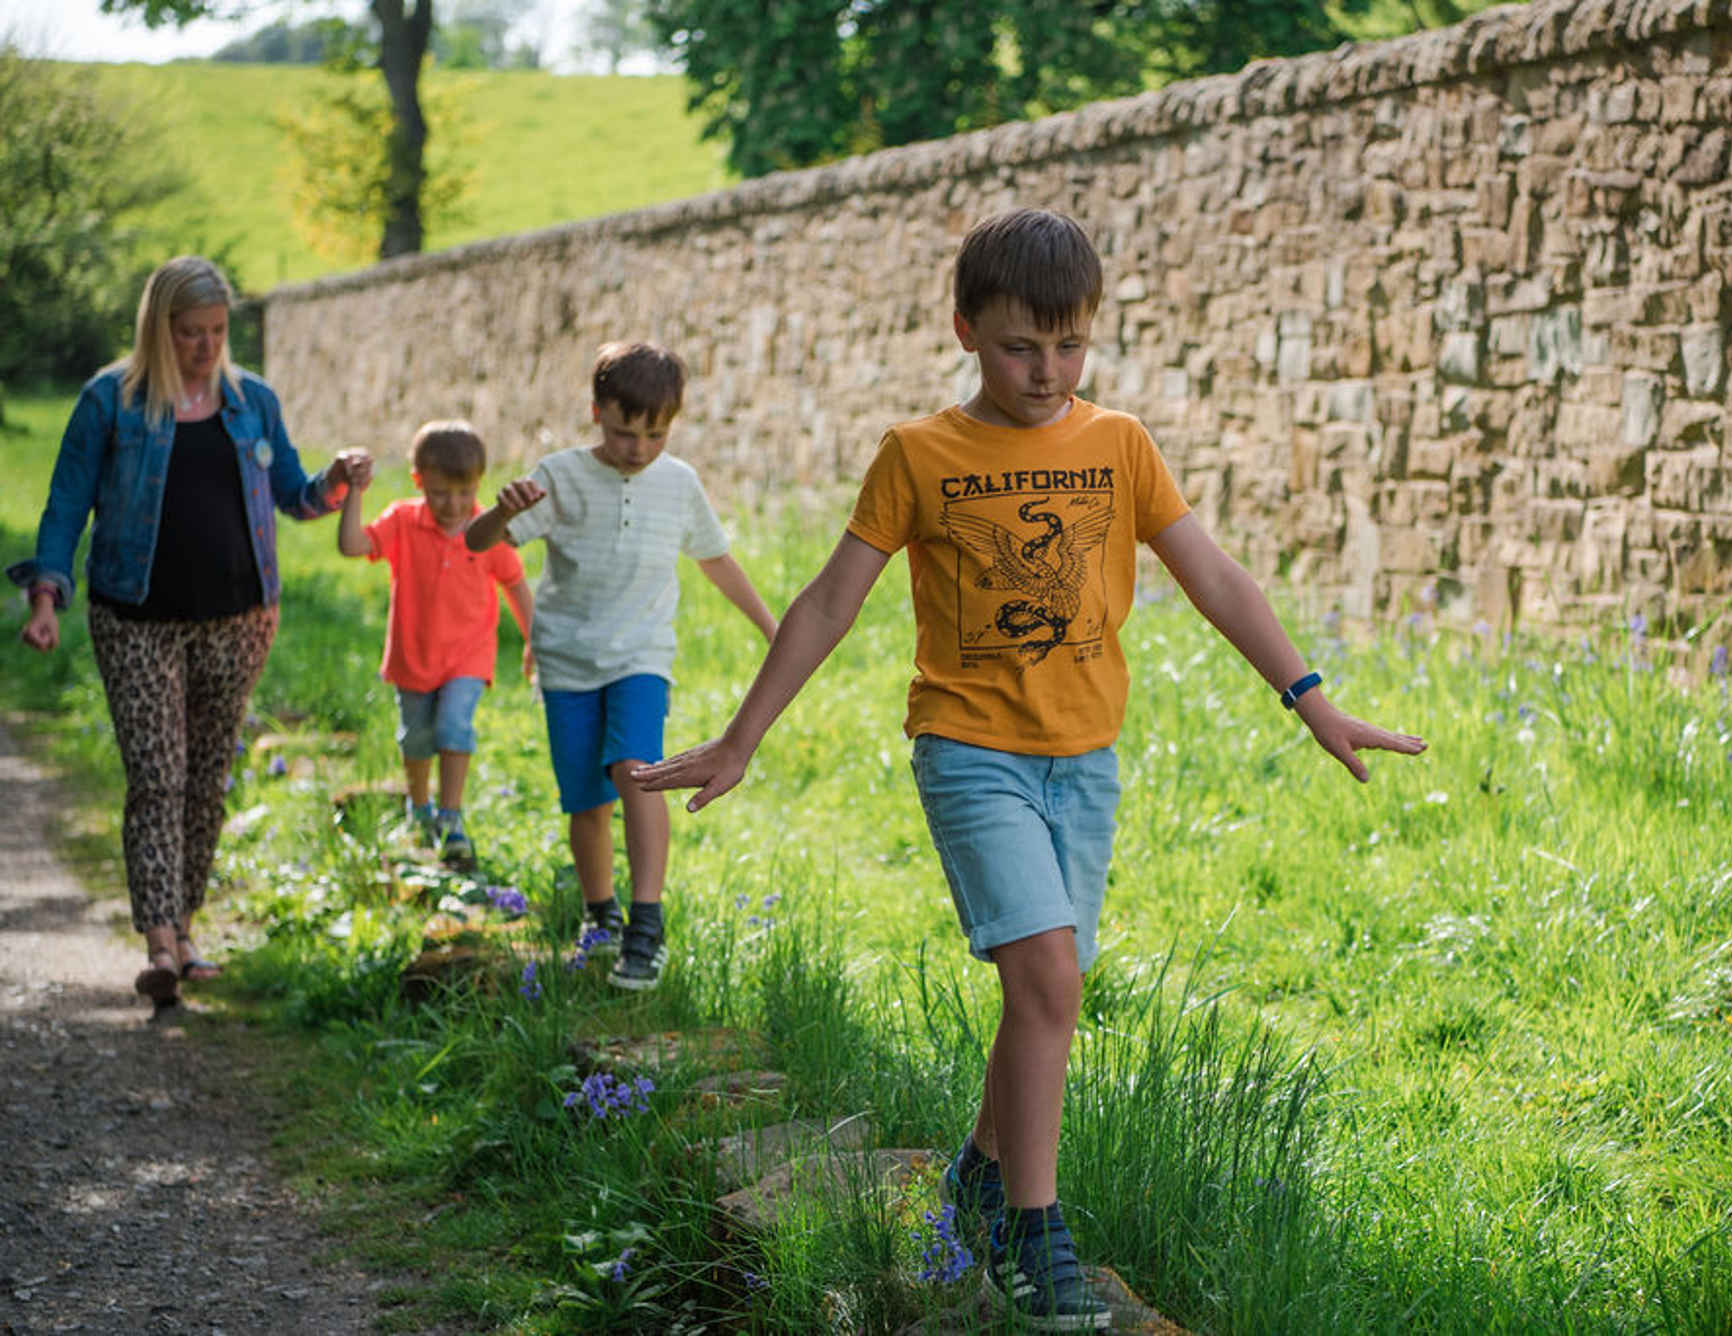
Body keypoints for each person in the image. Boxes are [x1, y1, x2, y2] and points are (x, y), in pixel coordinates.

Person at [632, 208, 1426, 1330]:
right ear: (964, 329)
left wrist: (1310, 699)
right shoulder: (919, 455)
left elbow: (1214, 577)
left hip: (1084, 764)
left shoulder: (1119, 445)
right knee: (1048, 980)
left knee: (1041, 997)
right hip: (969, 752)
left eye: (1068, 346)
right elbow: (826, 602)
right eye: (1017, 346)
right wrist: (740, 737)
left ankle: (971, 1177)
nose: (1045, 372)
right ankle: (1030, 1233)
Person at [9, 255, 370, 1010]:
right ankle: (161, 943)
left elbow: (293, 497)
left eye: (215, 331)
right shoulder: (111, 402)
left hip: (239, 619)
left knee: (207, 778)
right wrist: (46, 595)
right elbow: (67, 503)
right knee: (157, 777)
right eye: (188, 333)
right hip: (134, 617)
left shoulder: (251, 402)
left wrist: (337, 482)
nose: (205, 347)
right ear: (157, 328)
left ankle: (188, 922)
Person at [465, 341, 778, 990]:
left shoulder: (679, 483)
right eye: (622, 431)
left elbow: (716, 558)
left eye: (655, 434)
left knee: (638, 772)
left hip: (641, 655)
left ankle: (646, 922)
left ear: (674, 423)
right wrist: (501, 510)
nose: (638, 448)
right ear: (596, 412)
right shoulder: (560, 474)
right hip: (567, 660)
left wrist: (774, 629)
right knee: (586, 802)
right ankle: (599, 913)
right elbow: (476, 543)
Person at [336, 419, 534, 866]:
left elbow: (516, 584)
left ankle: (450, 817)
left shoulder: (487, 529)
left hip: (467, 656)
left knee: (453, 727)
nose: (454, 505)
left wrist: (533, 640)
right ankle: (418, 809)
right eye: (441, 493)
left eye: (465, 494)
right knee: (417, 738)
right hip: (413, 656)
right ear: (418, 482)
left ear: (479, 485)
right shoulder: (404, 521)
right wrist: (354, 493)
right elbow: (351, 545)